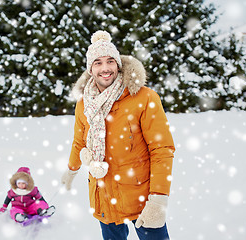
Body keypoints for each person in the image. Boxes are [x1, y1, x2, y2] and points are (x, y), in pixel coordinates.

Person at [61, 30, 175, 240]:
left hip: (141, 198)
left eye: (110, 61)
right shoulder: (84, 104)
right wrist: (71, 170)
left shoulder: (144, 97)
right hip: (103, 195)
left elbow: (162, 150)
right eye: (98, 63)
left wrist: (158, 199)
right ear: (90, 69)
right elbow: (79, 141)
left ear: (118, 64)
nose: (105, 68)